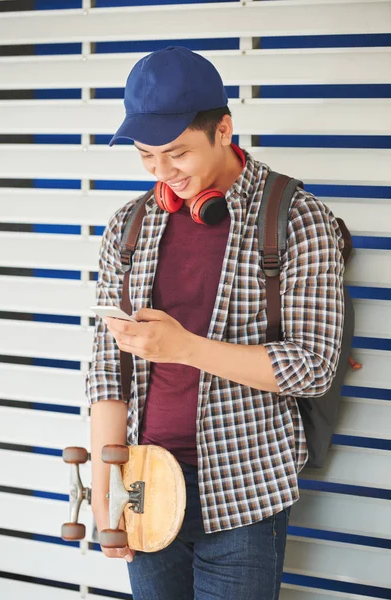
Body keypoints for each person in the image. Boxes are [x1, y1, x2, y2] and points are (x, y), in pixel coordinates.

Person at [85, 46, 344, 600]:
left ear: (223, 130)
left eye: (177, 154)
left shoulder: (296, 217)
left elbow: (314, 367)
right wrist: (104, 491)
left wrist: (184, 346)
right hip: (143, 482)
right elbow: (109, 370)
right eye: (145, 156)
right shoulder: (128, 226)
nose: (162, 173)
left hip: (245, 488)